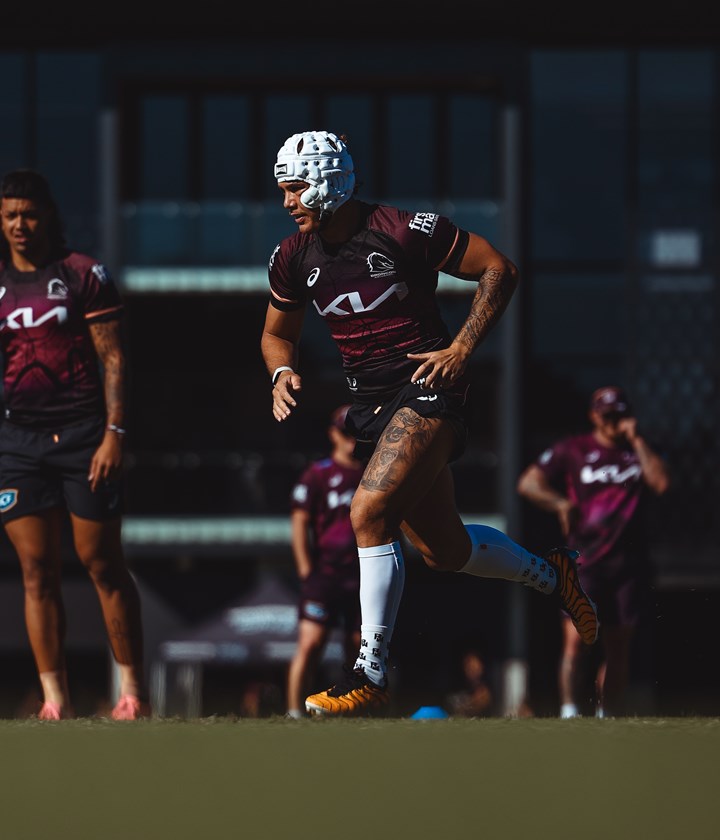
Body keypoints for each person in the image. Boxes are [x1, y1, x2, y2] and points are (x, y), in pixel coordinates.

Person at [261, 130, 598, 717]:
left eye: (294, 188)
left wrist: (463, 348)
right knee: (446, 550)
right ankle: (554, 575)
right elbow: (275, 335)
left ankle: (369, 673)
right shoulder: (292, 257)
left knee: (367, 512)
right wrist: (280, 373)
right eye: (283, 190)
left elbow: (499, 269)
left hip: (429, 388)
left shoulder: (400, 228)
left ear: (326, 181)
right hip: (371, 407)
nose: (287, 202)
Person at [0, 169, 150, 720]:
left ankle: (132, 692)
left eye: (30, 213)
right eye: (10, 213)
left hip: (85, 438)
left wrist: (114, 433)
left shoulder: (83, 274)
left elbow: (114, 358)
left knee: (101, 563)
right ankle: (54, 700)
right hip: (18, 444)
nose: (20, 224)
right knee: (35, 569)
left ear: (47, 216)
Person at [516, 385, 671, 718]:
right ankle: (570, 712)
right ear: (593, 415)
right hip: (584, 563)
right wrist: (559, 502)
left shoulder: (639, 450)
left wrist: (637, 439)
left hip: (628, 565)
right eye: (606, 413)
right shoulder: (573, 449)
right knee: (576, 642)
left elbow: (661, 483)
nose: (612, 420)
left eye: (619, 412)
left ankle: (607, 716)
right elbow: (528, 482)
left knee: (618, 648)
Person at [285, 403, 365, 719]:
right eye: (346, 433)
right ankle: (293, 712)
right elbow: (298, 522)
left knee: (359, 646)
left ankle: (355, 711)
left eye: (357, 434)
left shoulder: (372, 472)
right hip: (325, 574)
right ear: (333, 434)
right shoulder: (318, 474)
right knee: (310, 643)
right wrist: (306, 570)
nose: (352, 441)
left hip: (362, 574)